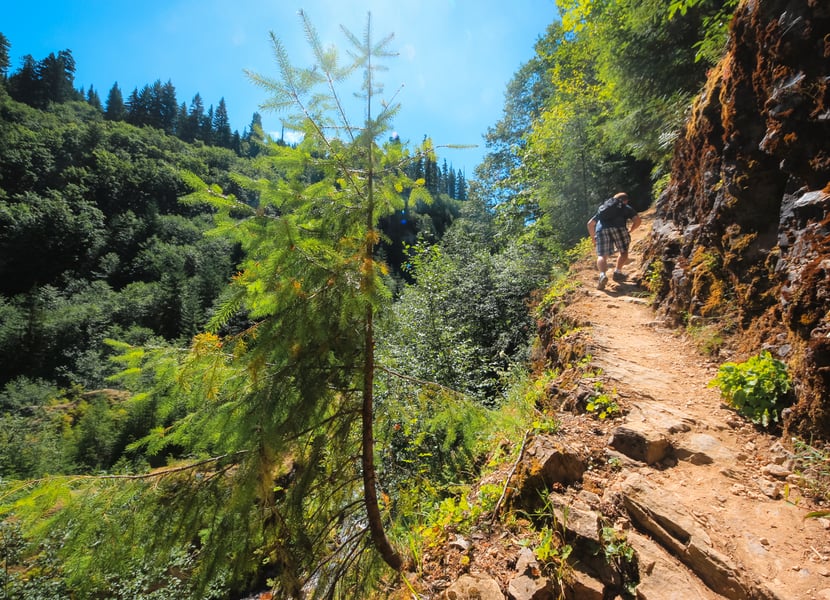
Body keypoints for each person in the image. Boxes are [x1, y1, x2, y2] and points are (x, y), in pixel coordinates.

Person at [587, 192, 641, 290]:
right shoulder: (625, 207)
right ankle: (617, 272)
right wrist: (631, 230)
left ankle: (602, 275)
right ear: (626, 200)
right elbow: (637, 221)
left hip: (601, 230)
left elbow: (590, 224)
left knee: (602, 255)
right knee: (624, 252)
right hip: (619, 228)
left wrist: (593, 238)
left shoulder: (604, 207)